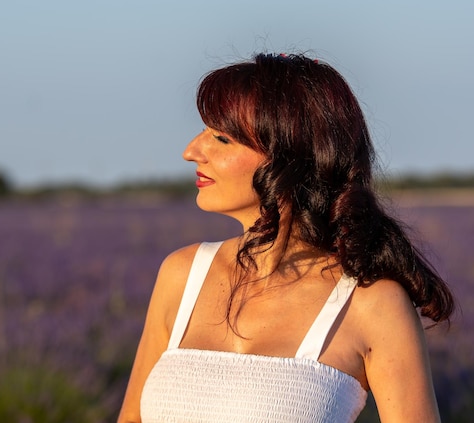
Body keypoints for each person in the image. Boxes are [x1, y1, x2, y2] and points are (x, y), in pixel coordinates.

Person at [118, 53, 454, 422]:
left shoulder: (371, 303)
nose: (191, 151)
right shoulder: (182, 275)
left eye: (221, 137)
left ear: (291, 156)